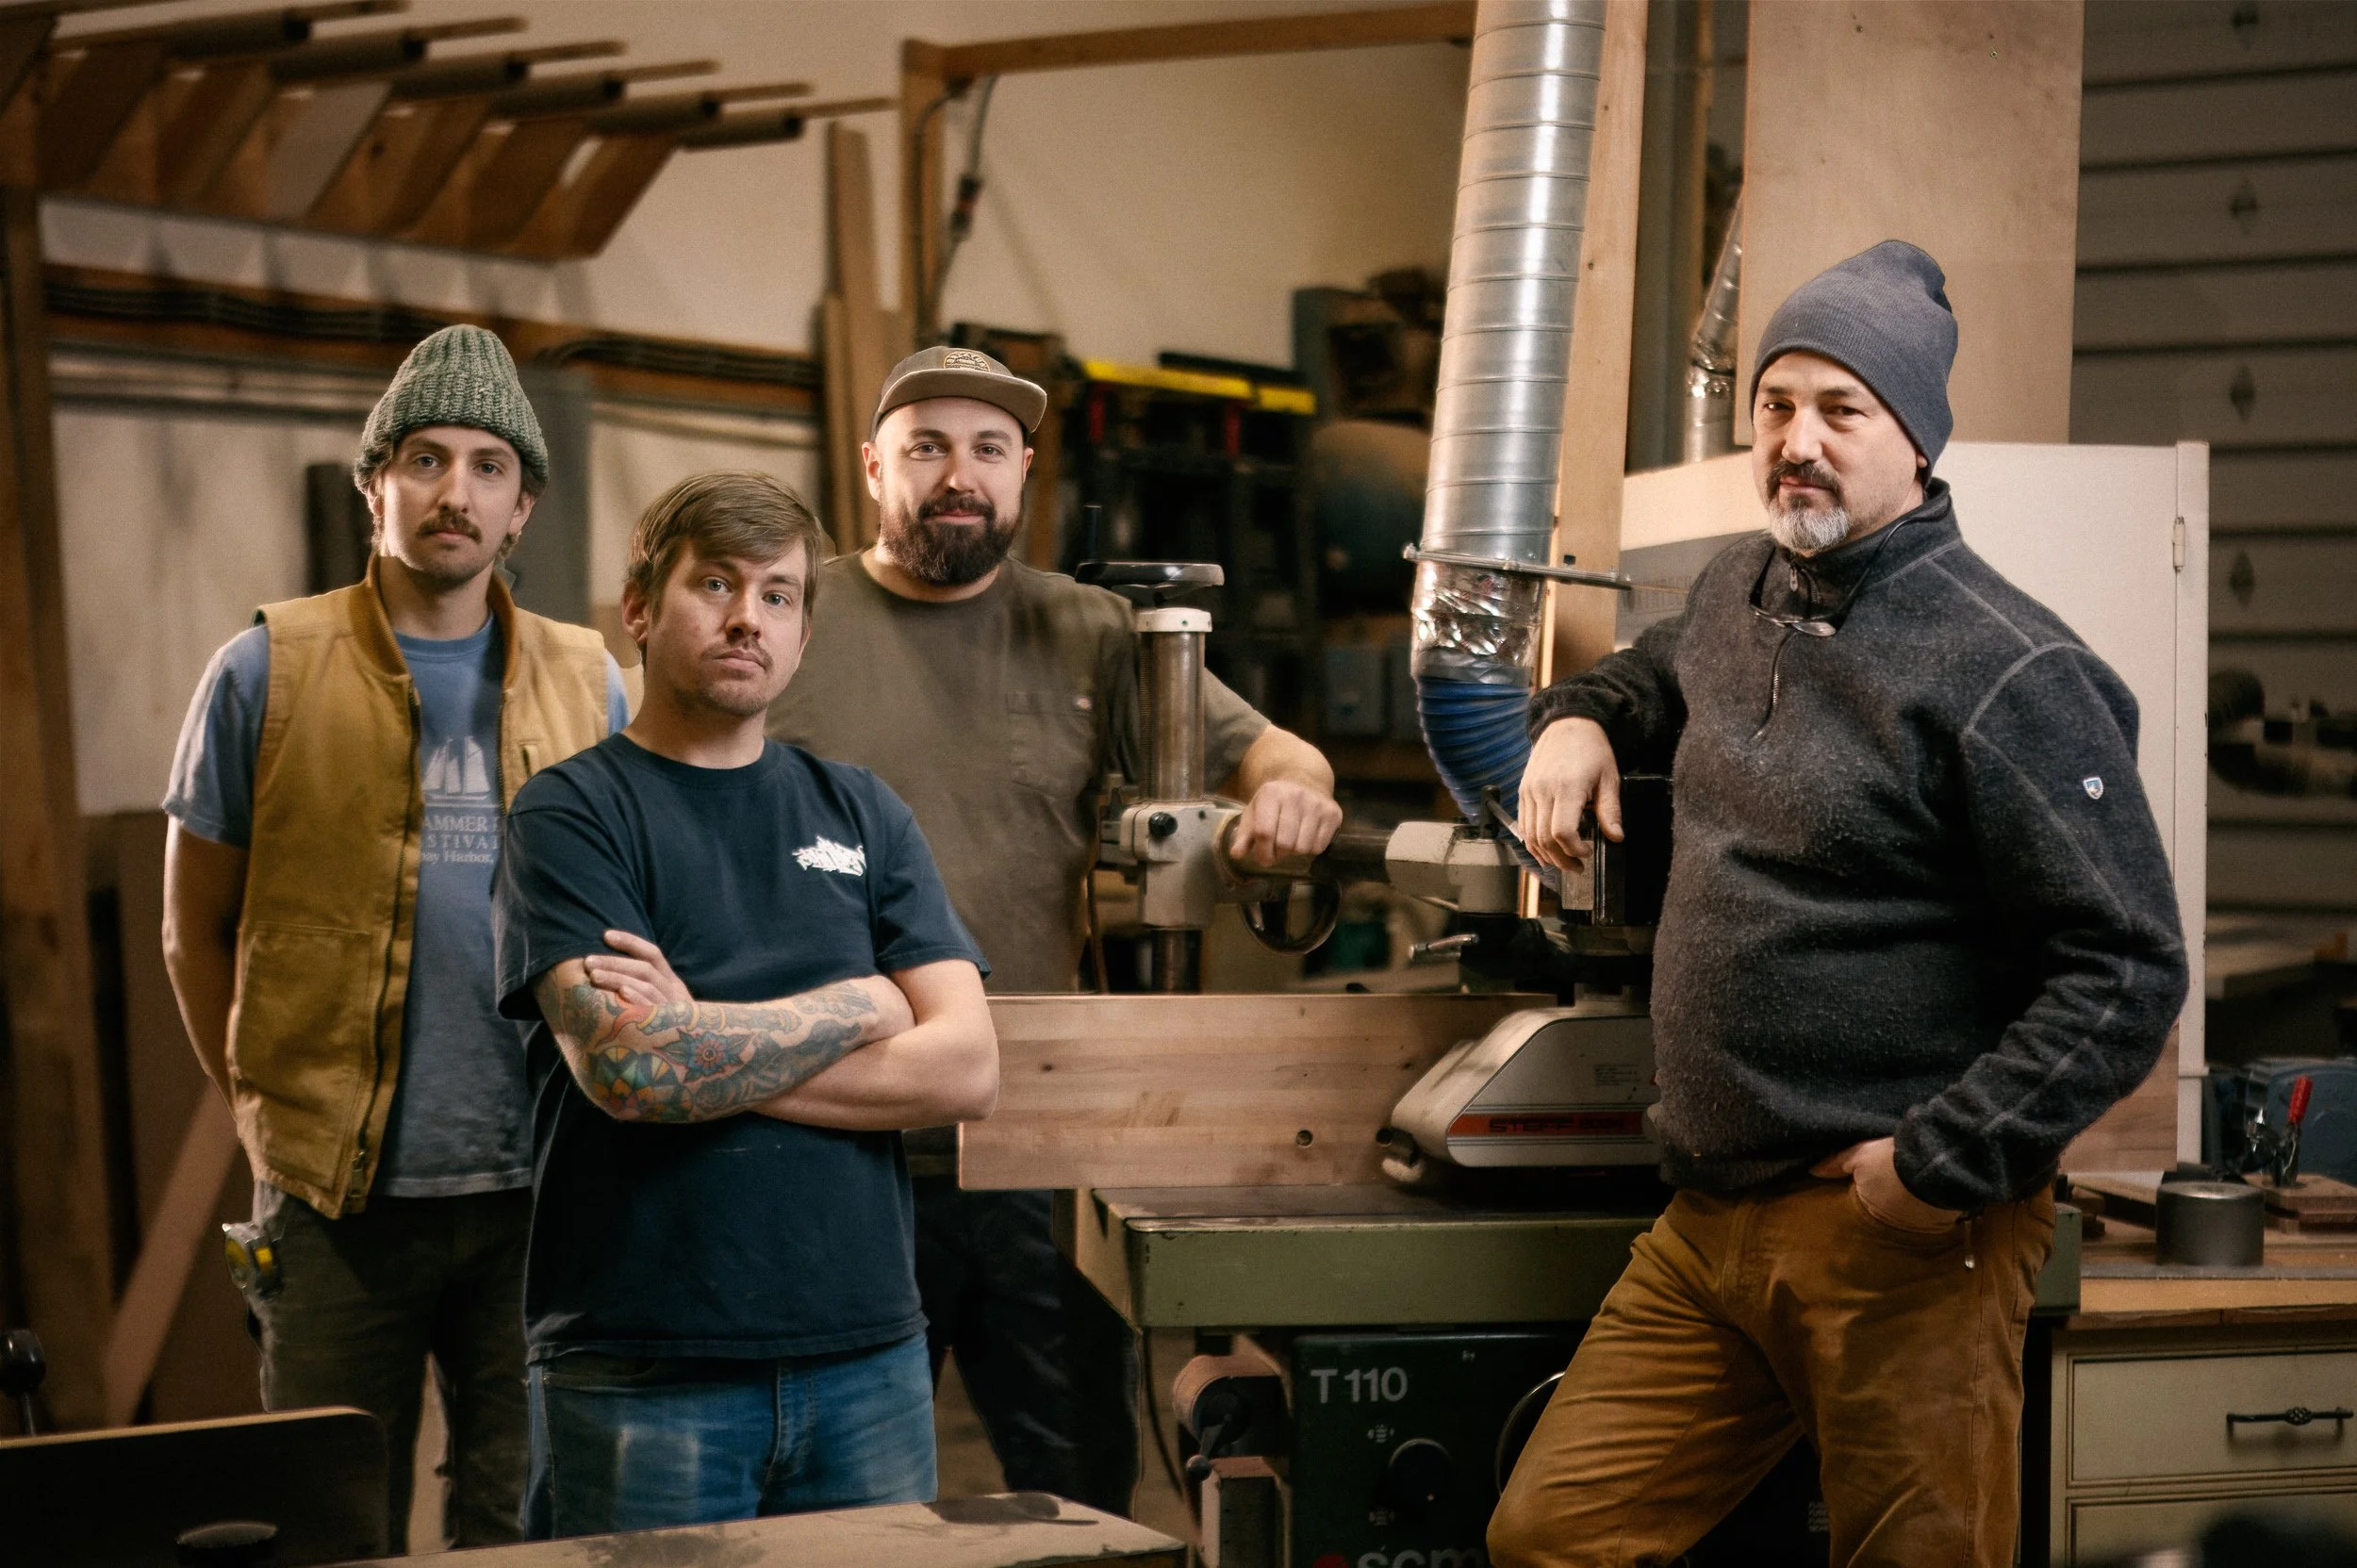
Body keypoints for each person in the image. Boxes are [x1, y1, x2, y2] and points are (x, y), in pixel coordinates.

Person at [1491, 242, 2188, 1567]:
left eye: (1840, 409)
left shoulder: (2008, 665)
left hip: (1899, 1229)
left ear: (1916, 438)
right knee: (1552, 1532)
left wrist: (1934, 1168)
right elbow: (1655, 669)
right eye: (1775, 405)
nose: (1796, 442)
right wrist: (1576, 717)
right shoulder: (1740, 590)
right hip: (1710, 1219)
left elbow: (2126, 965)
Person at [767, 345, 1343, 1513]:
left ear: (1025, 470)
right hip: (832, 1140)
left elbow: (1273, 751)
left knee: (1074, 1487)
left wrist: (1292, 792)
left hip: (1034, 1140)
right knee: (832, 1503)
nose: (957, 475)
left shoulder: (1091, 630)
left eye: (988, 449)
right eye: (926, 446)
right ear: (872, 464)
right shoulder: (791, 616)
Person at [159, 325, 629, 1549]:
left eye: (486, 466)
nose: (453, 491)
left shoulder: (593, 682)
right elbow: (190, 927)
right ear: (377, 482)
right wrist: (268, 1114)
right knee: (323, 1518)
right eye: (424, 458)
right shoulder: (265, 669)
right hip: (333, 1204)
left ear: (522, 504)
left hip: (540, 1189)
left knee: (523, 1516)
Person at [491, 470, 997, 1538]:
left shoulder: (862, 811)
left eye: (776, 595)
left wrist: (700, 1036)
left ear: (802, 633)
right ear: (637, 607)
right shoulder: (570, 813)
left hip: (866, 1355)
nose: (744, 619)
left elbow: (965, 1069)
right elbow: (633, 1070)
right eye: (712, 583)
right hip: (644, 1366)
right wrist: (863, 1004)